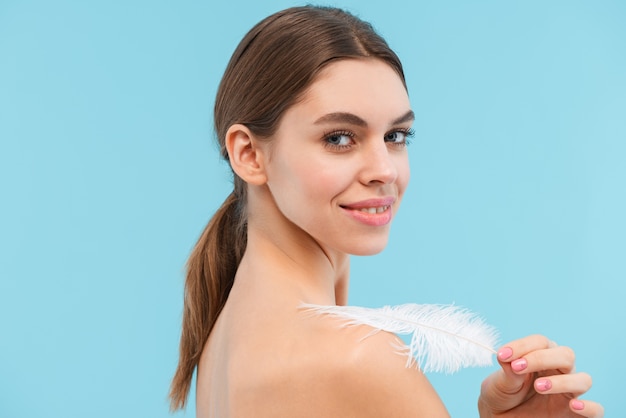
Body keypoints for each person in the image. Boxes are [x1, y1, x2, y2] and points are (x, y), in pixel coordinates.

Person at [169, 6, 604, 417]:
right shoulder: (356, 358)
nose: (383, 170)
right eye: (339, 138)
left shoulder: (225, 334)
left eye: (396, 136)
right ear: (249, 154)